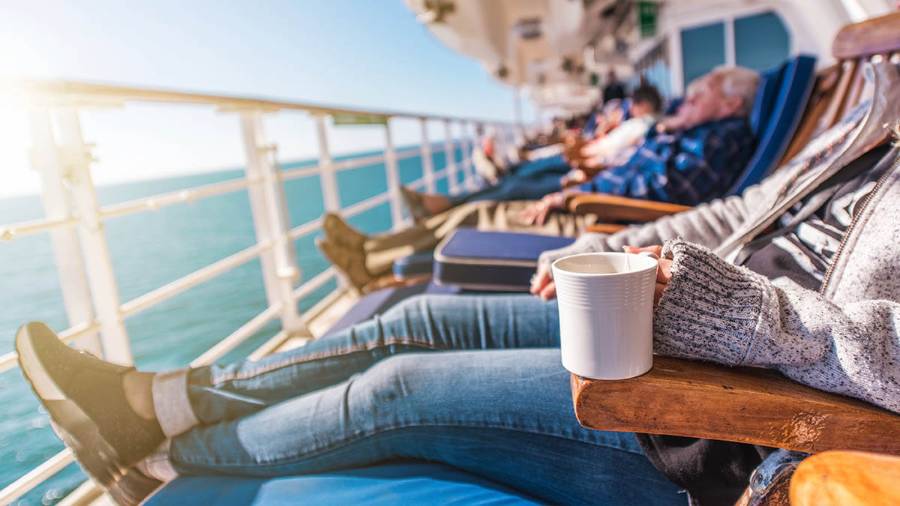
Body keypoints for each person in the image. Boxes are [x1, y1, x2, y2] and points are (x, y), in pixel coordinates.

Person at [16, 63, 900, 506]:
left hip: (734, 409)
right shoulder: (874, 137)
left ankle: (159, 460)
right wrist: (611, 249)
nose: (697, 95)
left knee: (395, 387)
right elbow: (732, 216)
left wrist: (727, 309)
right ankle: (165, 401)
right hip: (691, 313)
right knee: (423, 318)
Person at [401, 67, 757, 220]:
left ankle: (415, 233)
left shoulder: (718, 141)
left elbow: (656, 187)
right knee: (516, 185)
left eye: (703, 90)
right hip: (595, 187)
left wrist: (579, 189)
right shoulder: (690, 131)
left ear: (730, 104)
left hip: (602, 204)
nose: (691, 95)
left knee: (510, 195)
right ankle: (414, 229)